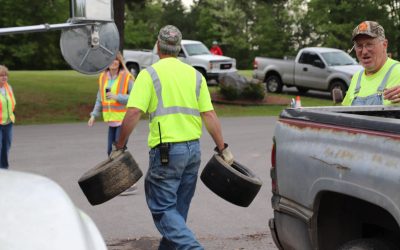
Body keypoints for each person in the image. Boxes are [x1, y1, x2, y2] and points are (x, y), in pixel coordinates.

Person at [110, 25, 233, 250]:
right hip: (192, 152)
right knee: (177, 212)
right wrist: (222, 148)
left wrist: (119, 145)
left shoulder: (149, 75)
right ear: (178, 49)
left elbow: (134, 112)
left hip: (166, 153)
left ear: (158, 46)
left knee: (163, 209)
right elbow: (209, 114)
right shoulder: (196, 76)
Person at [87, 52, 137, 195]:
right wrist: (93, 115)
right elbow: (99, 98)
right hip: (112, 121)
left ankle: (127, 183)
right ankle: (126, 181)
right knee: (111, 151)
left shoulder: (127, 77)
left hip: (123, 120)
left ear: (120, 61)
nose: (113, 62)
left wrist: (117, 97)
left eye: (116, 60)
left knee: (117, 152)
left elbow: (134, 97)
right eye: (110, 60)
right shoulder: (103, 77)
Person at [342, 21, 400, 106]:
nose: (364, 51)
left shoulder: (398, 71)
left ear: (384, 45)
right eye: (359, 46)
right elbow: (344, 115)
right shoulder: (357, 77)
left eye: (369, 44)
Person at [0, 65, 16, 169]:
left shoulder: (8, 88)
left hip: (8, 123)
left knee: (6, 147)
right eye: (1, 75)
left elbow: (11, 103)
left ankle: (4, 169)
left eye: (5, 75)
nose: (4, 77)